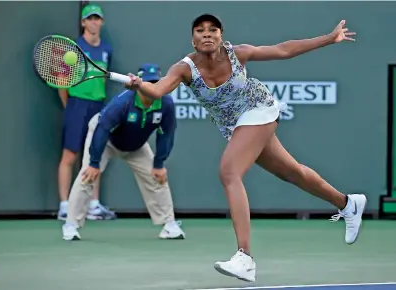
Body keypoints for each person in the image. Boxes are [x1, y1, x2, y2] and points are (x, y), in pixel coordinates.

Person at [124, 14, 366, 282]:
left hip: (259, 109)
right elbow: (157, 91)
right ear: (192, 39)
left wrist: (329, 39)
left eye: (213, 30)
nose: (207, 34)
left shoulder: (238, 54)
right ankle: (347, 203)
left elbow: (284, 50)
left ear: (221, 36)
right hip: (235, 126)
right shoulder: (184, 68)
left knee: (229, 172)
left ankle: (245, 257)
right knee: (292, 172)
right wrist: (139, 85)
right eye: (200, 30)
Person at [62, 63, 186, 241]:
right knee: (87, 175)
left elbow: (166, 134)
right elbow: (102, 128)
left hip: (136, 146)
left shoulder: (165, 103)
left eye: (156, 83)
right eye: (148, 82)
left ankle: (169, 224)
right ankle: (71, 225)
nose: (152, 86)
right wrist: (94, 163)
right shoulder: (123, 103)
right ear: (139, 84)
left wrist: (159, 164)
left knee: (157, 177)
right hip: (107, 141)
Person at [57, 3, 116, 221]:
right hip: (77, 104)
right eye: (89, 18)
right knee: (70, 155)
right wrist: (70, 105)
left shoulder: (106, 49)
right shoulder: (73, 49)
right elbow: (62, 82)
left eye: (97, 18)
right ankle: (64, 205)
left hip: (97, 106)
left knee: (95, 155)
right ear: (83, 22)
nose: (93, 22)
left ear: (101, 22)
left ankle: (93, 205)